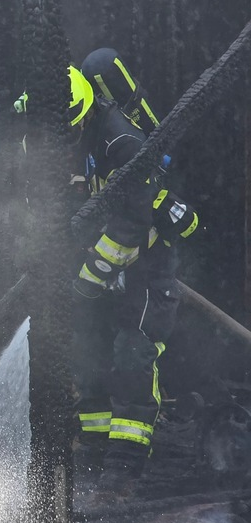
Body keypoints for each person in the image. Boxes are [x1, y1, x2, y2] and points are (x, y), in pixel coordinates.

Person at [65, 63, 198, 499]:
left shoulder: (124, 141)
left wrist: (91, 276)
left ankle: (124, 465)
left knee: (132, 353)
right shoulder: (73, 133)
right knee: (91, 353)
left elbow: (132, 225)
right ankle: (96, 449)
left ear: (85, 111)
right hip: (104, 265)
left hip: (146, 268)